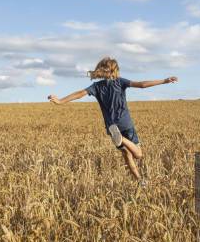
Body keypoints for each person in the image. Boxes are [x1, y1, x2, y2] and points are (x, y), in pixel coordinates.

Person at [47, 57, 178, 185]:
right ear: (115, 70)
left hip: (111, 127)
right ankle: (123, 140)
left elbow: (80, 93)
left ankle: (139, 181)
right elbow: (142, 85)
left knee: (126, 154)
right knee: (138, 154)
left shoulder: (96, 86)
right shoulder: (120, 82)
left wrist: (60, 101)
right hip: (125, 124)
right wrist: (164, 81)